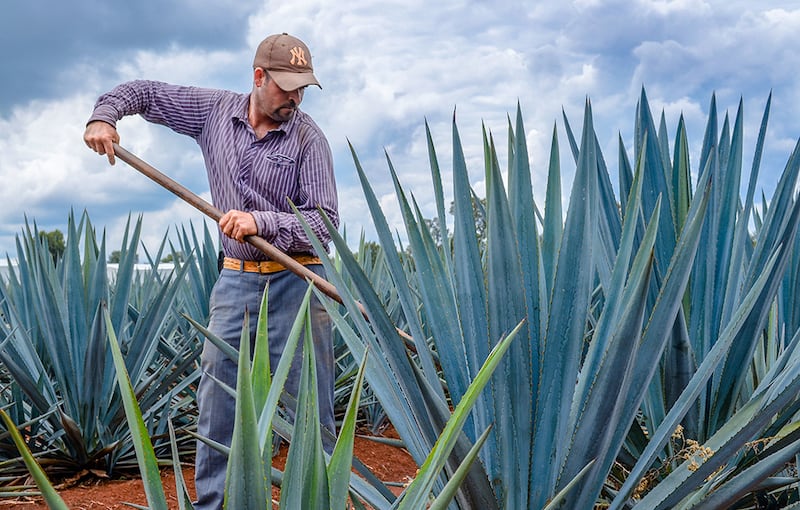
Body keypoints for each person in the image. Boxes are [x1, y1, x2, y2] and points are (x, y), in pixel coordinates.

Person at [83, 33, 338, 510]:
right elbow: (146, 94)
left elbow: (324, 222)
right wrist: (105, 115)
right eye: (286, 86)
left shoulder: (309, 139)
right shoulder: (213, 112)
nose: (295, 98)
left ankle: (316, 499)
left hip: (298, 279)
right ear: (258, 77)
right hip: (237, 277)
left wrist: (261, 221)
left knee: (308, 403)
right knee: (218, 393)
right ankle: (215, 504)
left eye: (303, 88)